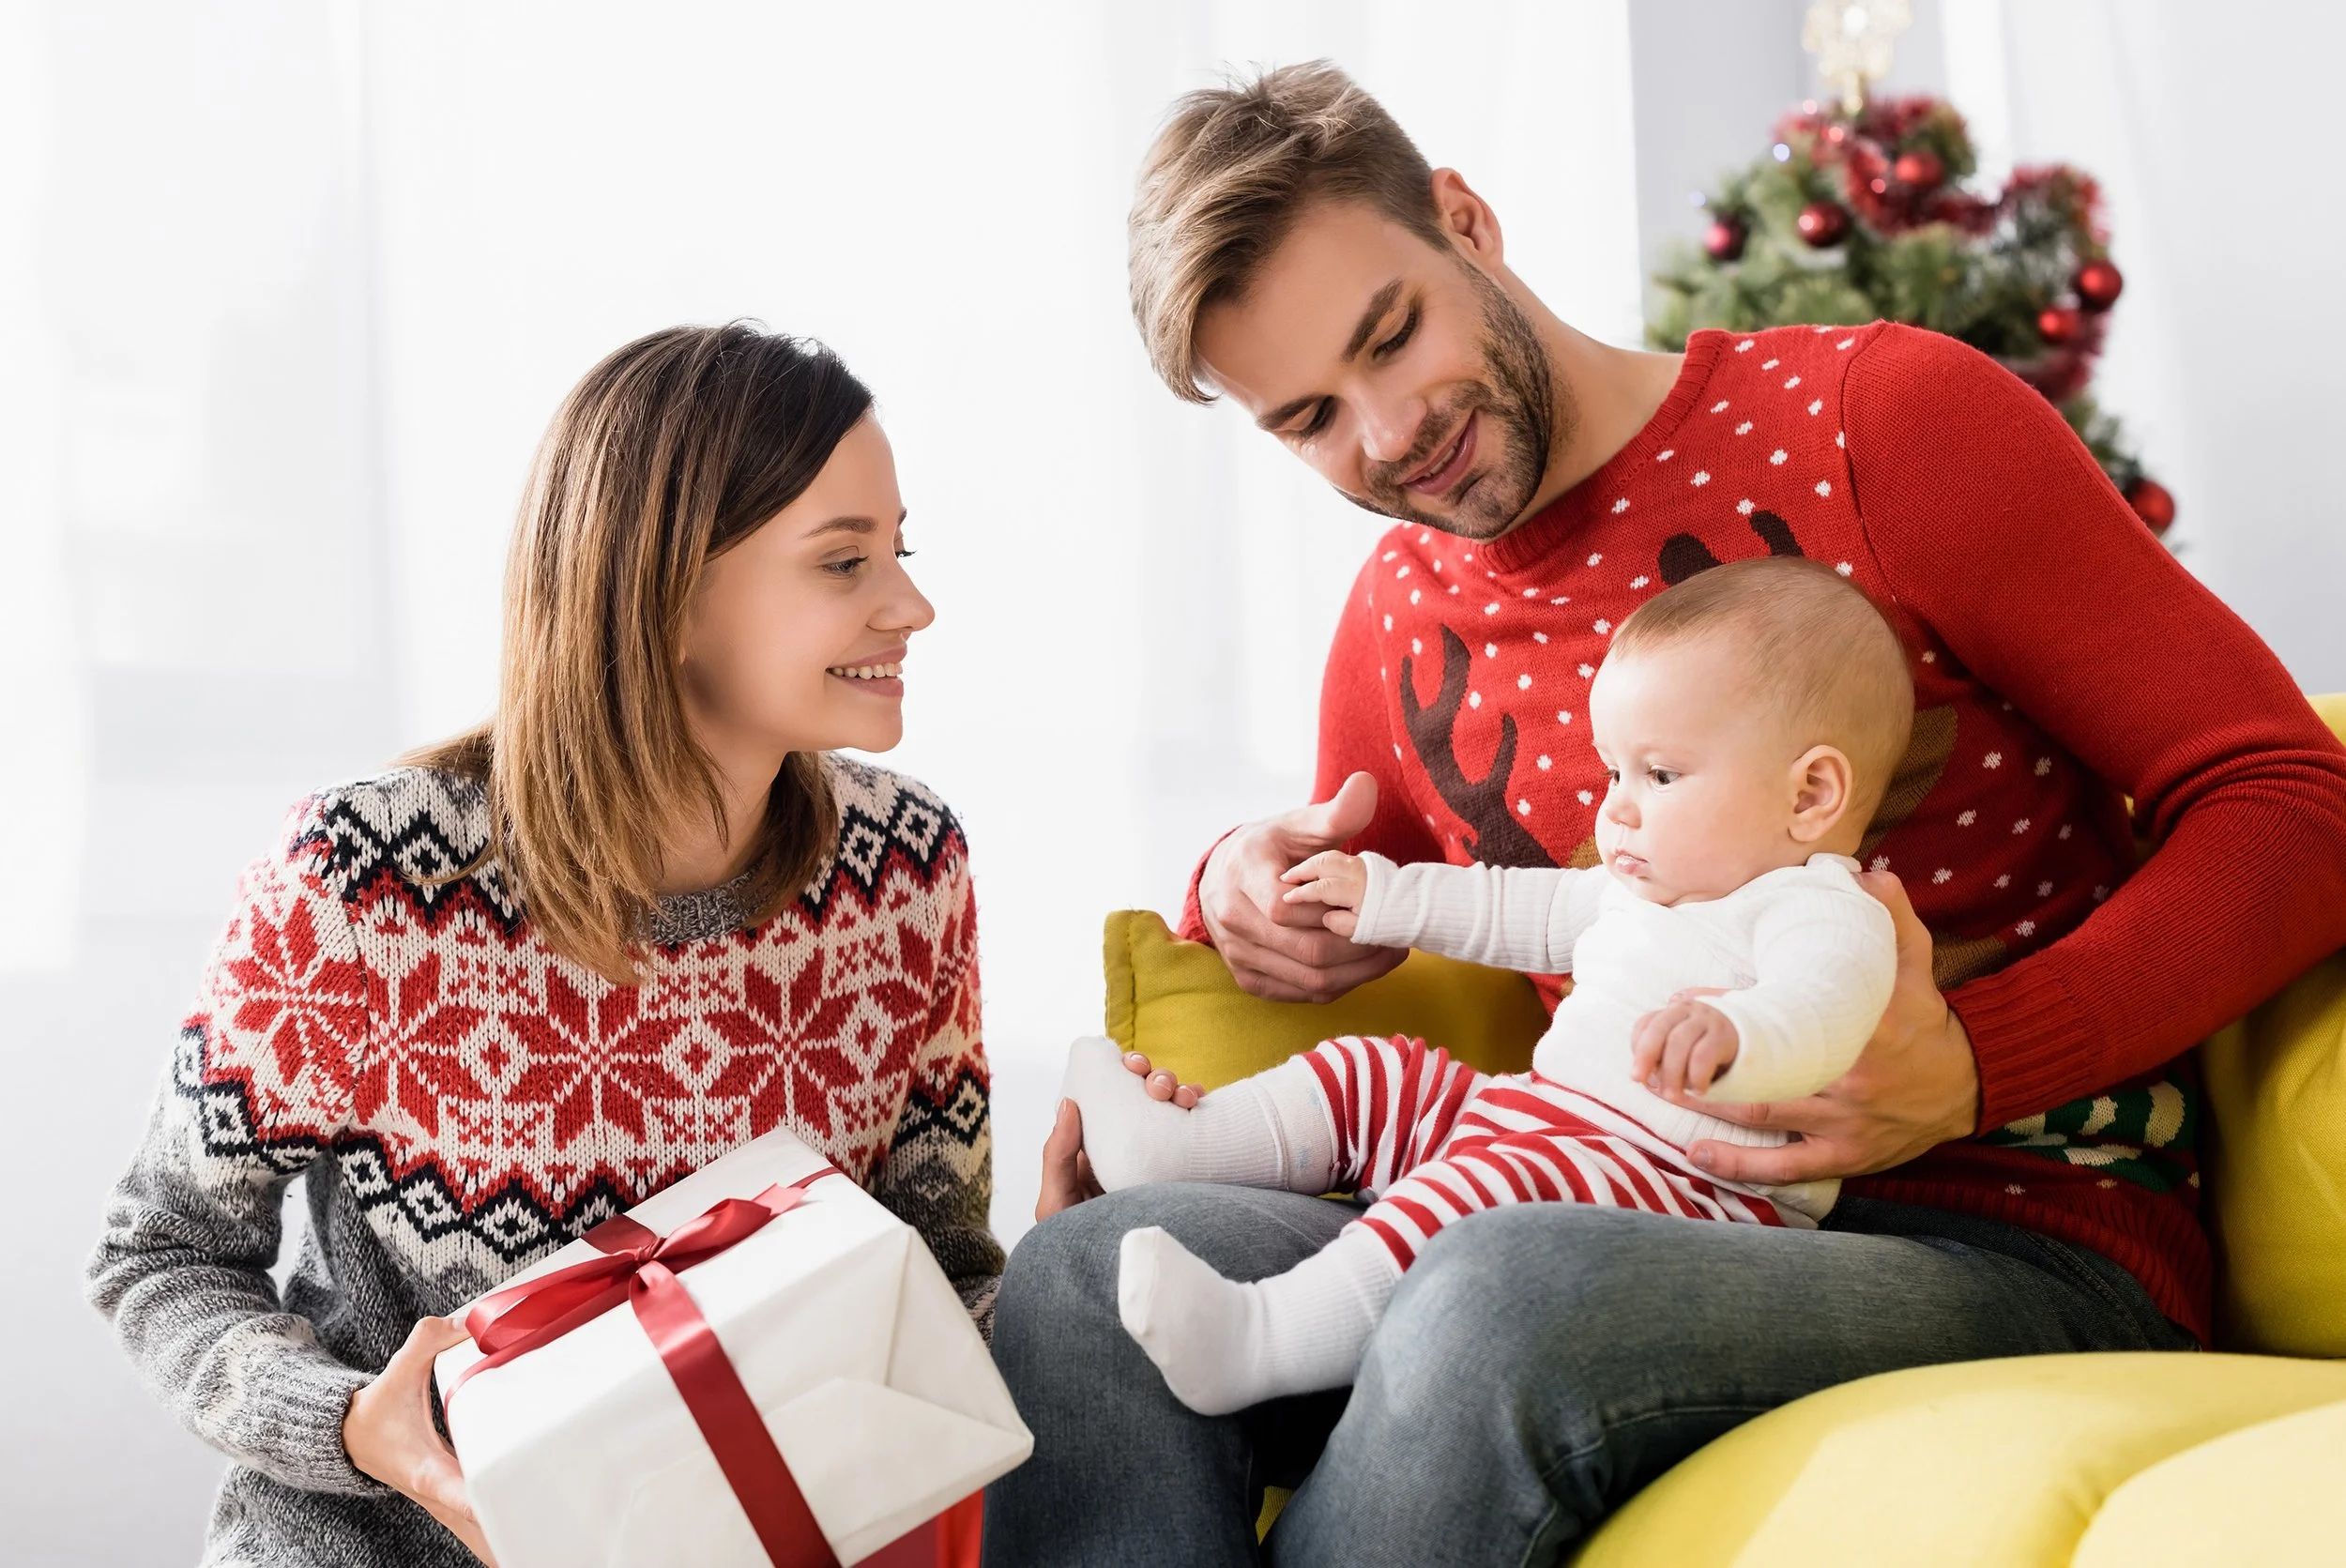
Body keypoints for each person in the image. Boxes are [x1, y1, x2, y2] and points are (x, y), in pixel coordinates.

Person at [984, 62, 2346, 1566]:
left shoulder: (1882, 421)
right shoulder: (1397, 621)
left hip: (2004, 1229)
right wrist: (1240, 914)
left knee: (1503, 1287)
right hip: (1599, 1186)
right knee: (1089, 1273)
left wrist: (1972, 1059)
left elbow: (2296, 799)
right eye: (1310, 416)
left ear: (1466, 221)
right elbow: (1356, 911)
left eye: (1393, 333)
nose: (1389, 431)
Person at [85, 325, 1000, 1568]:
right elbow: (162, 1250)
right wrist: (356, 1424)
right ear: (667, 592)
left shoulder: (906, 870)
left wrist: (1070, 1263)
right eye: (844, 561)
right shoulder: (373, 876)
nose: (914, 604)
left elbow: (932, 1274)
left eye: (900, 547)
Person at [1067, 558, 1906, 1417]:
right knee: (1382, 1076)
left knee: (1488, 1194)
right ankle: (1177, 1146)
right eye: (1613, 771)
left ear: (1811, 794)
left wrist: (1741, 1036)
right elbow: (1513, 905)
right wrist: (1383, 896)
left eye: (1660, 774)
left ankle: (1259, 1339)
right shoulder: (1638, 887)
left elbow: (1829, 1005)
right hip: (1550, 1128)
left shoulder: (1819, 907)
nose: (1615, 809)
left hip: (1687, 1200)